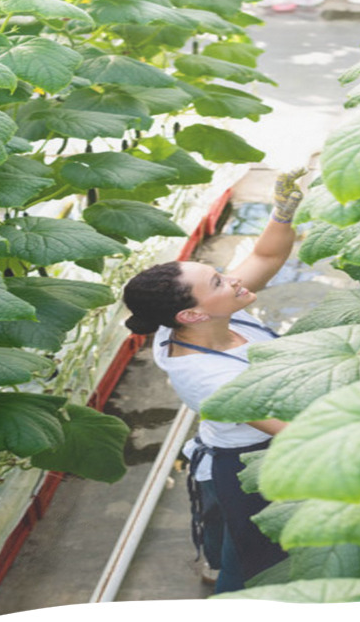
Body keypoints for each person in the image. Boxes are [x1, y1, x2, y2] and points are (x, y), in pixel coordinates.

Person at [121, 168, 306, 593]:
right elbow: (288, 430)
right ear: (194, 314)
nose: (234, 280)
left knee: (226, 530)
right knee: (256, 565)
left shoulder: (201, 320)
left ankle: (212, 562)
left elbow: (266, 257)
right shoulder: (207, 375)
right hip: (252, 460)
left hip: (225, 447)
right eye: (219, 281)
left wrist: (283, 211)